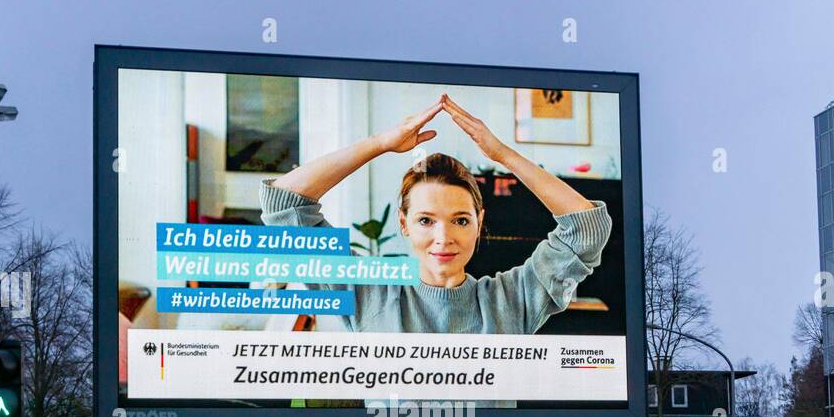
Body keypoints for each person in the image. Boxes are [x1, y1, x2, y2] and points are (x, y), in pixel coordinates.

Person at [261, 94, 612, 334]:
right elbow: (285, 202)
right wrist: (380, 143)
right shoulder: (368, 292)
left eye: (460, 220)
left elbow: (587, 229)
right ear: (404, 224)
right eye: (426, 220)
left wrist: (503, 154)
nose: (443, 238)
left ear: (479, 223)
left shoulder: (510, 300)